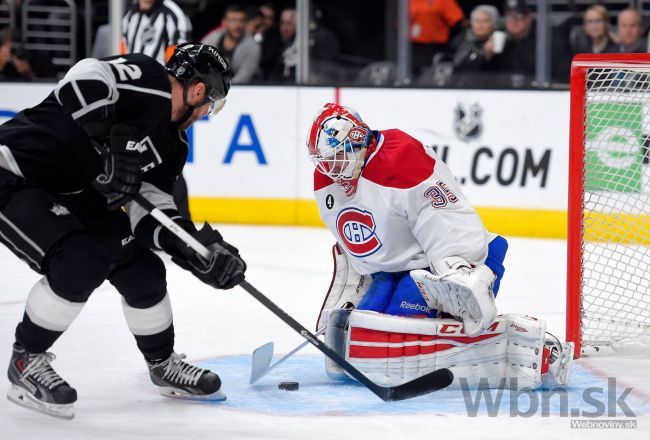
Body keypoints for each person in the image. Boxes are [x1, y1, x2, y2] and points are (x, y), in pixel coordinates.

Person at [0, 43, 247, 419]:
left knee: (143, 271)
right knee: (80, 262)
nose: (204, 114)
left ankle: (163, 365)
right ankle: (26, 361)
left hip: (79, 191)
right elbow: (83, 75)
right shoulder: (147, 78)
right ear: (198, 91)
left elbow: (149, 209)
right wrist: (109, 137)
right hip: (15, 171)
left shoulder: (173, 146)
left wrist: (192, 247)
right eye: (210, 104)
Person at [306, 103, 574, 390]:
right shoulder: (329, 179)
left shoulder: (401, 160)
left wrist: (460, 271)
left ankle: (528, 349)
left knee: (398, 340)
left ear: (359, 139)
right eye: (325, 160)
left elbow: (449, 219)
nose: (331, 168)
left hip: (441, 265)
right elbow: (358, 240)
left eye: (337, 156)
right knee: (363, 335)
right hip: (395, 271)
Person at [122, 0, 193, 219]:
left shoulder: (173, 15)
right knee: (128, 156)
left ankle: (180, 222)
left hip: (160, 100)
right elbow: (123, 56)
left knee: (164, 157)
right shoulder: (129, 17)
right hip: (131, 97)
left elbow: (180, 65)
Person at [201, 4, 261, 84]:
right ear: (224, 22)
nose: (238, 25)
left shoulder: (253, 47)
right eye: (234, 20)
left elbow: (244, 77)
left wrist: (223, 89)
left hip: (240, 91)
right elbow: (200, 66)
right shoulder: (210, 40)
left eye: (242, 20)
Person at [122, 0, 192, 65]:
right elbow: (123, 47)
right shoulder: (129, 12)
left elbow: (180, 56)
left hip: (159, 76)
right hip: (130, 74)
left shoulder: (173, 13)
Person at [409, 0, 465, 76]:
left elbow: (458, 22)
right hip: (414, 47)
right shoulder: (408, 2)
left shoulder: (443, 1)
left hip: (436, 47)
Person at [451, 5, 501, 86]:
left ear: (493, 24)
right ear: (471, 24)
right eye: (477, 21)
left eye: (485, 21)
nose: (480, 25)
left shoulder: (499, 41)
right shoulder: (462, 40)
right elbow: (458, 67)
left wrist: (489, 56)